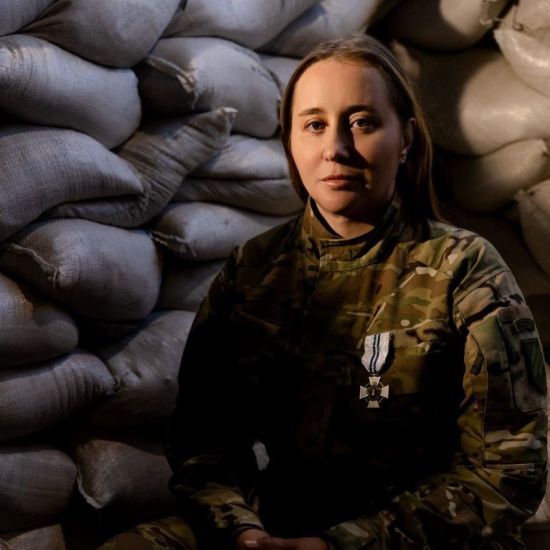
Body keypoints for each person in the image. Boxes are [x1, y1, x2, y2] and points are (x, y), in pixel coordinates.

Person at [99, 34, 547, 550]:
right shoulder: (254, 272)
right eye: (314, 125)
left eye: (362, 122)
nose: (336, 148)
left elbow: (507, 471)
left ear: (406, 139)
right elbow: (204, 442)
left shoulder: (462, 268)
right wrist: (240, 530)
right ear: (290, 141)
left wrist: (345, 545)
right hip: (278, 529)